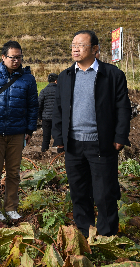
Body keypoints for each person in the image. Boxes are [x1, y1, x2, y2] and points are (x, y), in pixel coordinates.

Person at [52, 30, 131, 238]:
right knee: (79, 192)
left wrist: (120, 137)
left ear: (95, 49)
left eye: (81, 45)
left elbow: (123, 108)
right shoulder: (65, 76)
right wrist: (59, 138)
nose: (75, 49)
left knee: (104, 192)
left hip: (101, 143)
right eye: (73, 45)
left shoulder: (112, 75)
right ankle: (85, 233)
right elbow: (58, 110)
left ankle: (106, 235)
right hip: (73, 144)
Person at [0, 41, 38, 222]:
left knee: (13, 173)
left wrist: (30, 129)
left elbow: (33, 106)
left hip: (17, 131)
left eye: (19, 57)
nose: (16, 61)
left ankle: (11, 207)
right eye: (12, 57)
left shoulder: (28, 79)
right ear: (3, 57)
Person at [37, 73, 59, 152]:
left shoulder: (44, 91)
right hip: (58, 118)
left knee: (46, 138)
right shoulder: (60, 91)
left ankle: (44, 152)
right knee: (59, 137)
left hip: (46, 118)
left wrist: (40, 117)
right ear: (56, 81)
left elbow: (38, 105)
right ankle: (60, 154)